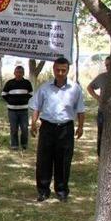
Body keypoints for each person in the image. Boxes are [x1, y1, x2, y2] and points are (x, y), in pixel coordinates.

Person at [30, 57, 85, 202]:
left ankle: (61, 191)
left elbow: (80, 110)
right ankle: (43, 190)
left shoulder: (75, 89)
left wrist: (80, 126)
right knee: (44, 160)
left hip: (65, 129)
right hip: (47, 128)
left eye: (63, 70)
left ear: (68, 70)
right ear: (53, 69)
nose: (60, 73)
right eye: (58, 69)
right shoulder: (44, 88)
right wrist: (33, 123)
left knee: (64, 160)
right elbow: (36, 106)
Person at [1, 65, 33, 150]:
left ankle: (24, 144)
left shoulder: (27, 83)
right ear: (14, 73)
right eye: (17, 72)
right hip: (12, 111)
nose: (19, 74)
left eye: (21, 73)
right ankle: (14, 145)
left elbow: (31, 94)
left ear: (23, 74)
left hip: (24, 110)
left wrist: (24, 99)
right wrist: (10, 101)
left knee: (24, 128)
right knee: (14, 129)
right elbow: (3, 94)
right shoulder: (9, 83)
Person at [86, 56, 109, 156]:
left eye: (110, 65)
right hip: (103, 112)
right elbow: (89, 87)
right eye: (106, 65)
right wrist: (98, 97)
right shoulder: (102, 77)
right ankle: (101, 157)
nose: (108, 67)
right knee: (101, 136)